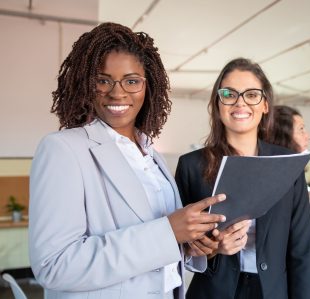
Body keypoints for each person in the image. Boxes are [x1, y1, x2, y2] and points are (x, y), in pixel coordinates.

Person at [29, 22, 226, 299]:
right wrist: (167, 232)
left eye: (132, 80)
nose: (117, 92)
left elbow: (164, 250)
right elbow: (54, 265)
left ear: (149, 86)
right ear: (87, 83)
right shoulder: (63, 149)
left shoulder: (150, 154)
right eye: (103, 80)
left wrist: (190, 244)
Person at [174, 58, 310, 299]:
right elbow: (179, 246)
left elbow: (302, 248)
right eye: (229, 94)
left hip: (273, 290)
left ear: (265, 105)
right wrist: (212, 249)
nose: (240, 103)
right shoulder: (191, 165)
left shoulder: (288, 163)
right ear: (218, 103)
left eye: (251, 95)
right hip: (214, 291)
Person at [269, 105, 310, 274]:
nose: (308, 136)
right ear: (283, 134)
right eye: (301, 130)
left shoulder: (295, 172)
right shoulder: (276, 177)